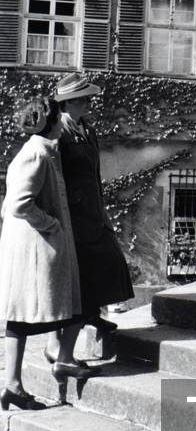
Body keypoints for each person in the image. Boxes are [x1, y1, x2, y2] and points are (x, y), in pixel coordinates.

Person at [0, 96, 90, 411]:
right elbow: (19, 204)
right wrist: (51, 225)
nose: (65, 123)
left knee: (22, 317)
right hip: (36, 248)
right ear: (52, 124)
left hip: (33, 246)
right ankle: (23, 378)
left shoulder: (42, 151)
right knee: (39, 311)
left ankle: (13, 385)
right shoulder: (37, 154)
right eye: (60, 118)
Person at [47, 73, 133, 351]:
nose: (88, 104)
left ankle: (94, 319)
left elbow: (94, 175)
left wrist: (102, 210)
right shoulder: (58, 131)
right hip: (71, 215)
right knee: (78, 277)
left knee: (109, 263)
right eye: (83, 99)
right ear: (68, 103)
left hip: (93, 212)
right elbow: (52, 175)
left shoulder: (88, 129)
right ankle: (57, 342)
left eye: (88, 98)